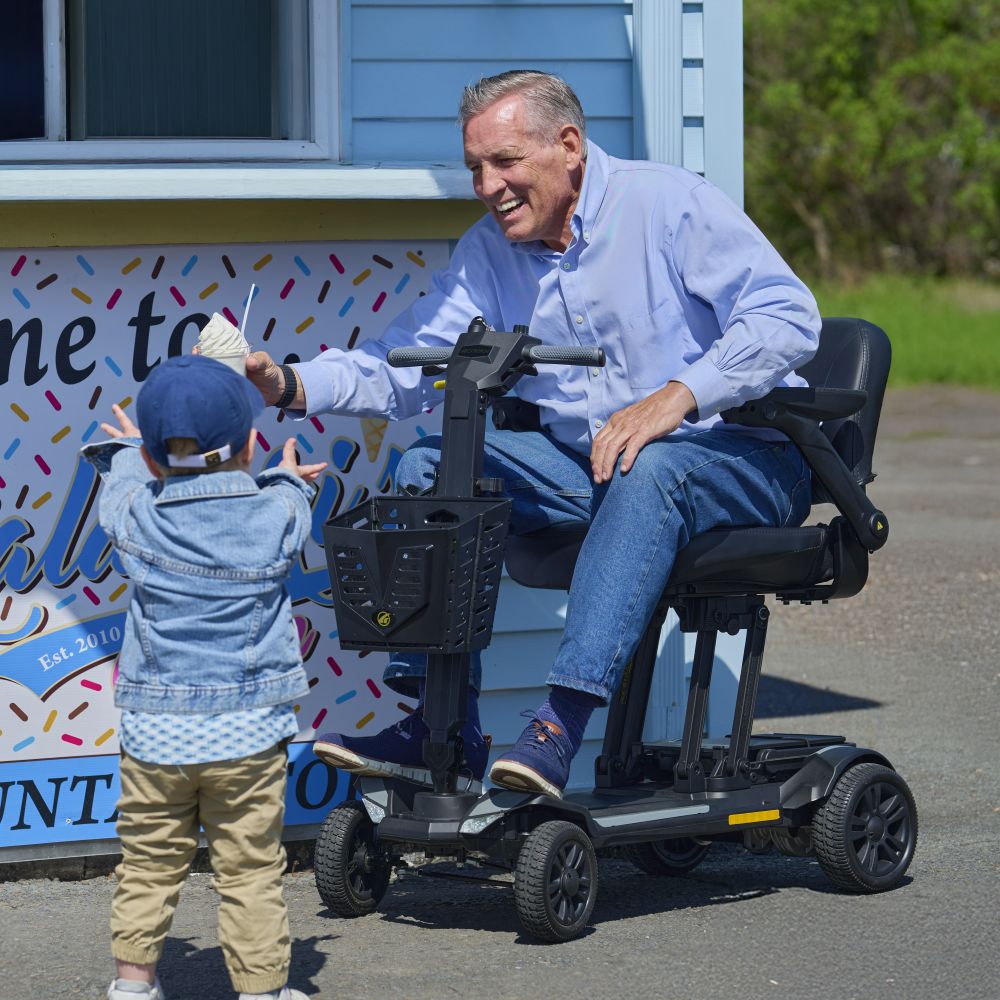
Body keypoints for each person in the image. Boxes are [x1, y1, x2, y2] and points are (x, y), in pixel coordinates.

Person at [247, 70, 819, 798]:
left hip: (746, 456)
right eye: (475, 168)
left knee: (654, 464)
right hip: (595, 466)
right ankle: (439, 724)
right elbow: (407, 366)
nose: (488, 185)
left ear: (569, 145)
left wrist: (680, 394)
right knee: (431, 464)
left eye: (506, 161)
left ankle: (559, 722)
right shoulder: (489, 254)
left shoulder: (668, 203)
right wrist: (289, 385)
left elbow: (788, 317)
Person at [83, 355, 326, 1000]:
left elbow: (119, 482)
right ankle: (262, 991)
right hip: (248, 739)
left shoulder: (138, 517)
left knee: (148, 866)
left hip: (157, 740)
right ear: (250, 443)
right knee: (249, 872)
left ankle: (132, 986)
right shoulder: (274, 516)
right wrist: (291, 479)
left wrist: (129, 450)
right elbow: (290, 502)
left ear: (156, 462)